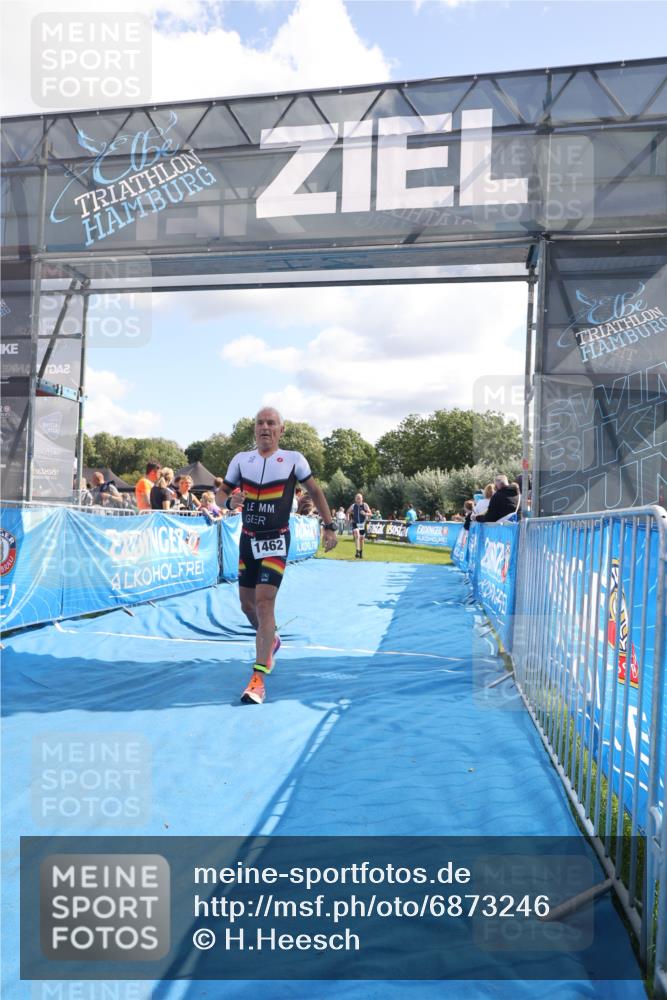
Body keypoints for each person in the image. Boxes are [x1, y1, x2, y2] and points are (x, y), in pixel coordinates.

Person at [215, 407, 337, 705]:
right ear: (254, 430)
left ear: (281, 430)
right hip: (248, 540)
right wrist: (229, 500)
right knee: (247, 606)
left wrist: (330, 525)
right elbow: (221, 495)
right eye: (260, 423)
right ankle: (272, 640)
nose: (265, 427)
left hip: (276, 540)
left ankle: (257, 679)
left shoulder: (294, 459)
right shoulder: (241, 460)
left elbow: (316, 491)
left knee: (264, 601)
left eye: (271, 423)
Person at [347, 492, 372, 558]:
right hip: (355, 523)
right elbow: (347, 512)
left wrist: (365, 514)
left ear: (362, 499)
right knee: (356, 534)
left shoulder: (365, 505)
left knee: (361, 539)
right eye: (357, 498)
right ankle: (357, 551)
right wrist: (347, 520)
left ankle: (361, 552)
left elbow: (370, 514)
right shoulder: (353, 506)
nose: (358, 499)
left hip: (362, 523)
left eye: (359, 498)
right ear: (355, 499)